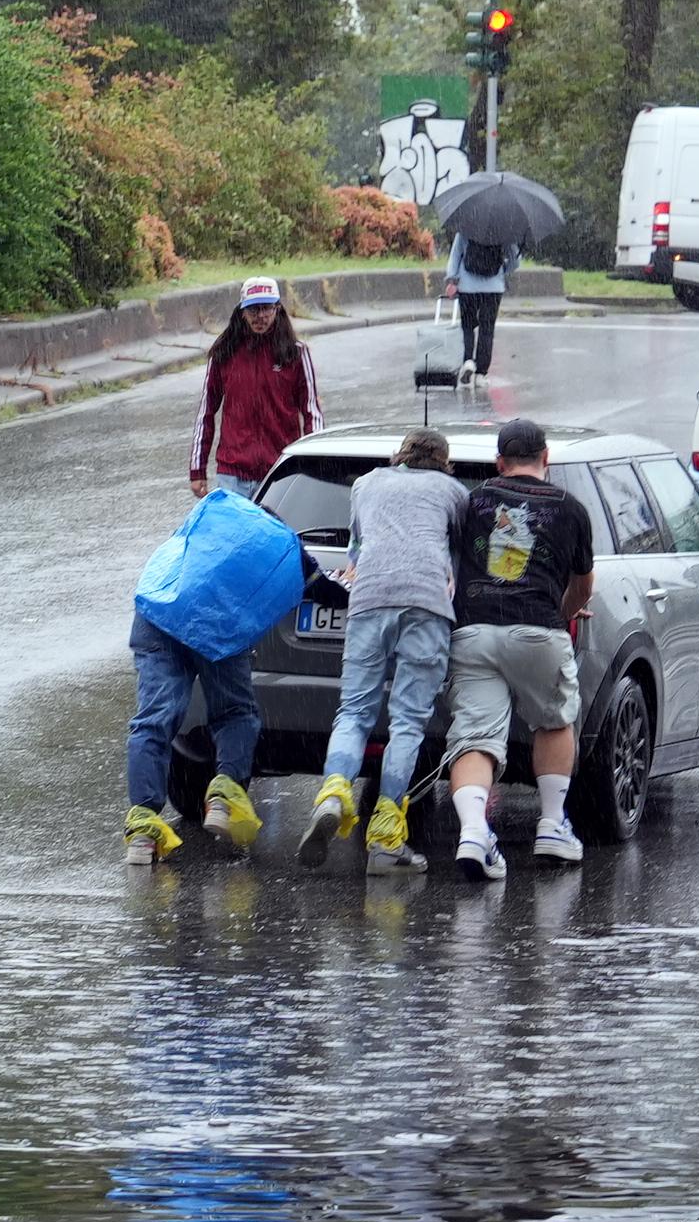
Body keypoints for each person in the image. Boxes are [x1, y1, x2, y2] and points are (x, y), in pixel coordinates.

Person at [297, 430, 466, 875]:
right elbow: (461, 554)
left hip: (369, 599)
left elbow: (355, 550)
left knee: (353, 712)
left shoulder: (366, 483)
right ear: (443, 461)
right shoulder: (453, 491)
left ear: (400, 455)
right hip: (427, 603)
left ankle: (334, 793)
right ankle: (386, 838)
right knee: (408, 721)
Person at [127, 528, 342, 866]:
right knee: (234, 714)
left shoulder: (212, 523)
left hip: (157, 612)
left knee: (154, 719)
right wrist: (355, 597)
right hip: (215, 619)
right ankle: (223, 802)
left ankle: (141, 831)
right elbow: (322, 588)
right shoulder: (282, 544)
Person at [440, 420, 593, 882]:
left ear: (499, 463)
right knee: (554, 720)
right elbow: (583, 585)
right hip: (537, 631)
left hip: (474, 632)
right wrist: (562, 612)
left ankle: (473, 832)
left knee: (475, 736)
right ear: (546, 458)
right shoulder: (571, 509)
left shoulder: (472, 501)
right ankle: (551, 825)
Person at [191, 277, 323, 499]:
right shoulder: (223, 354)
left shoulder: (297, 354)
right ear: (242, 311)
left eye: (266, 308)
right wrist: (197, 469)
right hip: (232, 474)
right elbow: (205, 413)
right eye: (253, 309)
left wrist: (315, 463)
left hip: (281, 472)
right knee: (234, 535)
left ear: (277, 309)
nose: (260, 316)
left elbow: (312, 413)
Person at [442, 230, 515, 384]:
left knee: (467, 326)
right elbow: (515, 261)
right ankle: (481, 374)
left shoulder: (466, 228)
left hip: (467, 287)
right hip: (494, 288)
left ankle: (468, 360)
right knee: (487, 329)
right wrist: (503, 269)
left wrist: (452, 280)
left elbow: (455, 255)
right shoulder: (505, 231)